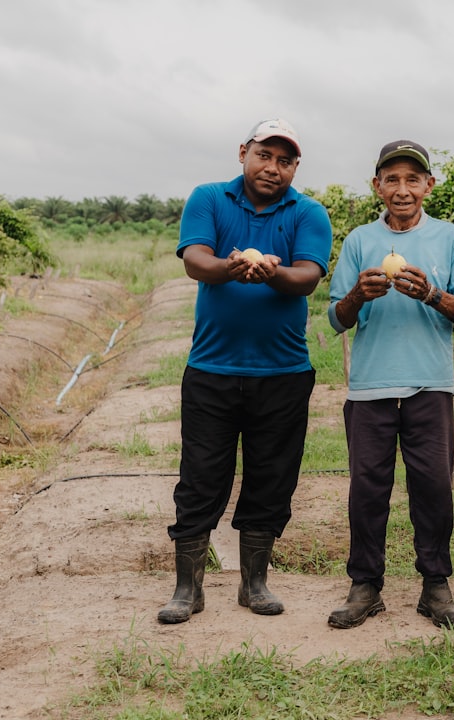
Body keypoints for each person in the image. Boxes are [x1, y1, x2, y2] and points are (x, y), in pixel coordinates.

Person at [158, 118, 332, 624]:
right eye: (264, 155)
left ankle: (254, 584)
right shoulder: (210, 198)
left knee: (271, 476)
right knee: (201, 477)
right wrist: (233, 267)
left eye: (284, 160)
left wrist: (271, 271)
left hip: (282, 373)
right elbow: (195, 260)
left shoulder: (308, 212)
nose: (272, 168)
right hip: (211, 370)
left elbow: (306, 279)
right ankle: (187, 589)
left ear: (295, 167)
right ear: (243, 153)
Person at [326, 140, 454, 630]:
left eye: (412, 180)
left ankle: (435, 585)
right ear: (377, 186)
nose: (402, 189)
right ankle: (365, 585)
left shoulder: (450, 239)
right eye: (391, 180)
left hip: (429, 386)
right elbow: (335, 318)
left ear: (428, 186)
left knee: (433, 488)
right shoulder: (358, 241)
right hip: (370, 388)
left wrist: (434, 295)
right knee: (367, 489)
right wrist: (359, 292)